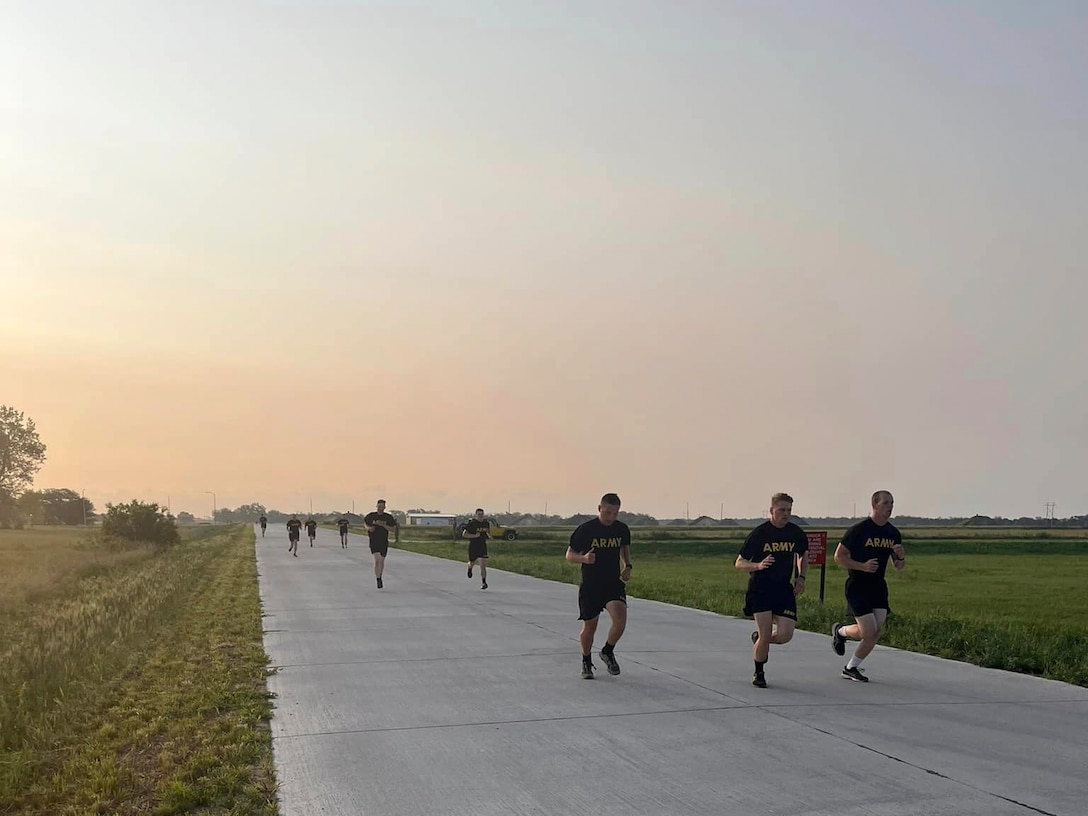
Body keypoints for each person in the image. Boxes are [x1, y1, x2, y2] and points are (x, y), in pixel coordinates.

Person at [734, 493, 809, 688]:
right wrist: (758, 566)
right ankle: (759, 672)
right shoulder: (760, 534)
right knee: (766, 633)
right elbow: (739, 563)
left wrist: (801, 577)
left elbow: (802, 555)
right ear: (772, 510)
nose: (786, 514)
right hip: (761, 589)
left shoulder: (795, 533)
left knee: (785, 635)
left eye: (789, 511)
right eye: (782, 510)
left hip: (784, 589)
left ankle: (759, 640)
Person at [831, 490, 906, 682]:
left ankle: (850, 667)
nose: (890, 507)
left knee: (876, 631)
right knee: (868, 631)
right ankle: (840, 631)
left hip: (878, 586)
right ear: (874, 505)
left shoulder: (892, 533)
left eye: (892, 503)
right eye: (886, 503)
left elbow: (898, 566)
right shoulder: (859, 530)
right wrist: (862, 566)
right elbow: (839, 557)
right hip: (858, 585)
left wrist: (900, 555)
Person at [565, 493, 632, 679]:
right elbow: (569, 555)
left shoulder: (621, 529)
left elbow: (624, 547)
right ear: (599, 508)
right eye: (608, 512)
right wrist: (584, 558)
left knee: (620, 618)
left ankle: (607, 651)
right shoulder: (586, 530)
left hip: (612, 583)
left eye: (615, 513)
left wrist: (627, 565)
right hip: (591, 585)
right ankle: (586, 660)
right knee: (590, 627)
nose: (611, 517)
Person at [364, 499, 398, 588]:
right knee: (377, 560)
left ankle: (380, 575)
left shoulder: (388, 517)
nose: (380, 508)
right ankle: (378, 579)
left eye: (382, 507)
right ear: (376, 506)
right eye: (379, 507)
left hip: (383, 541)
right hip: (374, 540)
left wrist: (384, 525)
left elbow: (393, 530)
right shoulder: (371, 516)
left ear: (384, 507)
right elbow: (365, 524)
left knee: (382, 561)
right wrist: (369, 528)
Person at [462, 508, 491, 590]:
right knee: (472, 562)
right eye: (479, 514)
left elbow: (487, 531)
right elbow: (464, 535)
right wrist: (474, 536)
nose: (480, 516)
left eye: (482, 514)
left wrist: (489, 535)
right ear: (476, 515)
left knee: (483, 565)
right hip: (473, 546)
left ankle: (484, 582)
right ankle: (469, 568)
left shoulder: (486, 523)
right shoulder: (472, 524)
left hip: (482, 546)